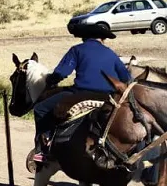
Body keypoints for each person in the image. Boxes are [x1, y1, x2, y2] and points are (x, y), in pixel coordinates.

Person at [32, 24, 132, 162]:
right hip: (108, 97)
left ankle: (43, 148)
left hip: (81, 93)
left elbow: (62, 72)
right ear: (102, 38)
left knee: (40, 109)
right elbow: (126, 77)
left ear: (84, 37)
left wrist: (50, 80)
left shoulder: (77, 50)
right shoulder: (110, 53)